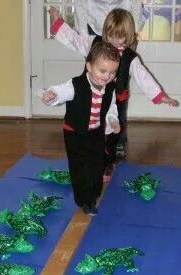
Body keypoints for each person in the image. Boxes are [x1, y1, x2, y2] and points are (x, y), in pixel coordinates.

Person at [48, 7, 179, 169]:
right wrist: (58, 22)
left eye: (120, 37)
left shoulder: (130, 58)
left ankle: (107, 162)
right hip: (92, 95)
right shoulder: (94, 43)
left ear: (128, 35)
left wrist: (161, 96)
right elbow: (74, 39)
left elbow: (144, 77)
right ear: (105, 32)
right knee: (91, 127)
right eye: (111, 36)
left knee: (114, 132)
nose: (114, 41)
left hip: (116, 100)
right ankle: (87, 158)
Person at [39, 41, 121, 216]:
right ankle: (85, 200)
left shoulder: (110, 89)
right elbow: (61, 92)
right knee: (80, 166)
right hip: (74, 133)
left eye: (112, 72)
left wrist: (113, 120)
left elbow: (111, 108)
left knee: (96, 164)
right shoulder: (76, 84)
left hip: (95, 132)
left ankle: (93, 192)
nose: (107, 76)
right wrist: (52, 95)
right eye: (102, 71)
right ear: (89, 66)